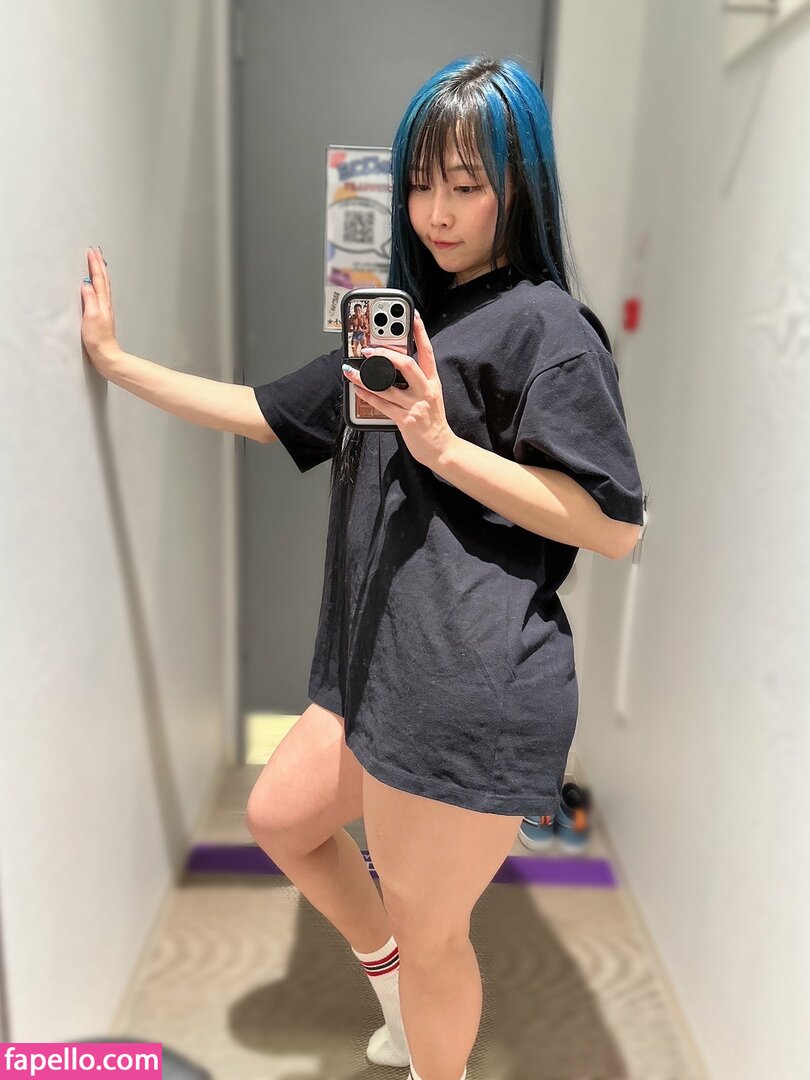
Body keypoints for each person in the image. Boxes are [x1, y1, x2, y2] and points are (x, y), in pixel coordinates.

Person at [80, 54, 644, 1080]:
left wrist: (443, 448)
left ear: (521, 184)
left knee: (435, 935)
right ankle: (395, 997)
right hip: (374, 665)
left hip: (464, 677)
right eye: (421, 183)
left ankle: (433, 1056)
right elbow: (266, 412)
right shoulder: (411, 320)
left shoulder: (549, 328)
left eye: (466, 185)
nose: (438, 211)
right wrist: (117, 365)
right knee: (282, 816)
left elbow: (612, 526)